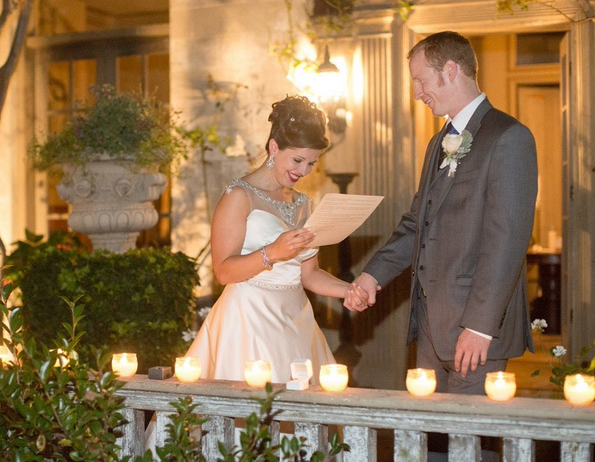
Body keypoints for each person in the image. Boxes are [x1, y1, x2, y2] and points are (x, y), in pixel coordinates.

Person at [346, 31, 537, 395]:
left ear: (450, 70)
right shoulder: (439, 140)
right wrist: (373, 276)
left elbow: (507, 240)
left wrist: (480, 327)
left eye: (420, 80)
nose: (417, 92)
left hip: (475, 332)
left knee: (469, 442)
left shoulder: (509, 137)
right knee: (432, 442)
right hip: (432, 330)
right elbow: (418, 222)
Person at [186, 95, 350, 384]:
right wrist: (272, 252)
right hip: (249, 319)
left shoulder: (303, 203)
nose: (303, 171)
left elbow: (309, 275)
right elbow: (223, 272)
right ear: (274, 147)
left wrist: (349, 291)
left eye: (312, 163)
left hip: (297, 320)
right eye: (297, 160)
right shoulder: (239, 196)